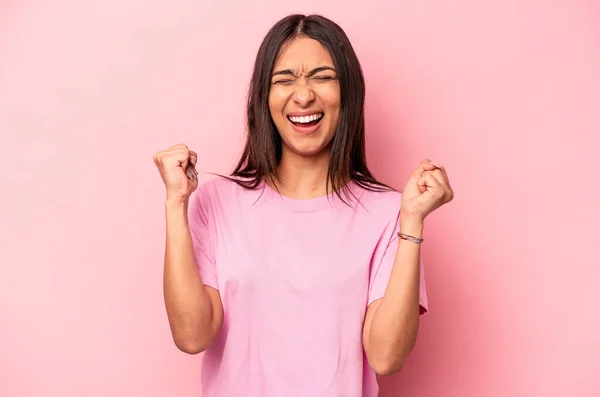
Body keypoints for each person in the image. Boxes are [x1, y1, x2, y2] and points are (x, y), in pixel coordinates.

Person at [152, 13, 453, 397]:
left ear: (349, 92)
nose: (304, 94)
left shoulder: (389, 212)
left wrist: (411, 221)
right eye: (284, 80)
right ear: (264, 96)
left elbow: (386, 358)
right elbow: (192, 336)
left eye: (323, 77)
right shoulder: (216, 202)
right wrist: (175, 203)